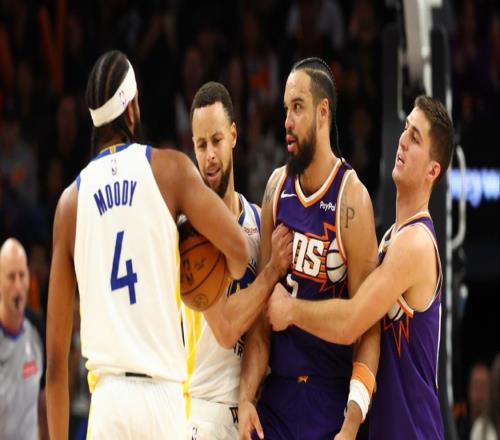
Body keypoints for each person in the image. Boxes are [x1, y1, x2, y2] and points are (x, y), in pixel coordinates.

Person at [45, 50, 250, 440]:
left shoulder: (70, 205)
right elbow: (239, 251)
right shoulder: (169, 170)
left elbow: (56, 366)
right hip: (163, 399)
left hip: (107, 401)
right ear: (132, 106)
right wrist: (199, 278)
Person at [267, 95, 454, 439]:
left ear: (433, 171)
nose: (402, 140)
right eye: (405, 129)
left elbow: (352, 321)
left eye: (415, 138)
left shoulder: (415, 244)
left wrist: (290, 309)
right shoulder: (390, 240)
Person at [239, 57, 380, 440]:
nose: (287, 121)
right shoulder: (275, 188)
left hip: (329, 400)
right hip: (277, 399)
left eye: (298, 107)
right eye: (286, 109)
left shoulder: (352, 199)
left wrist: (351, 424)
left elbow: (369, 329)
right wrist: (246, 397)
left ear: (323, 112)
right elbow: (261, 318)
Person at [183, 81, 292, 440]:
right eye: (201, 145)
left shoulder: (258, 220)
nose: (210, 155)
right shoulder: (189, 234)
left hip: (253, 409)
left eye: (216, 140)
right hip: (205, 412)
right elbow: (227, 330)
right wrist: (271, 271)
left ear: (233, 136)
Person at [0, 238, 44, 440]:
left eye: (22, 275)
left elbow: (44, 402)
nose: (18, 285)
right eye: (11, 277)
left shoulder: (37, 329)